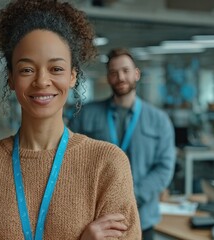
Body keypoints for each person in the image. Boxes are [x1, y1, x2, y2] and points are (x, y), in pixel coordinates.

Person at [0, 1, 141, 239]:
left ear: (73, 75)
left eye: (56, 69)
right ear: (10, 78)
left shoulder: (107, 164)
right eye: (27, 69)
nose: (41, 80)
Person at [69, 48, 176, 240]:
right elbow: (71, 161)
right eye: (113, 72)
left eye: (126, 71)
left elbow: (164, 168)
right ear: (108, 77)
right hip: (95, 223)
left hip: (143, 220)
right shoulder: (86, 115)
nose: (120, 77)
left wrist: (129, 196)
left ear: (136, 74)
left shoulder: (159, 121)